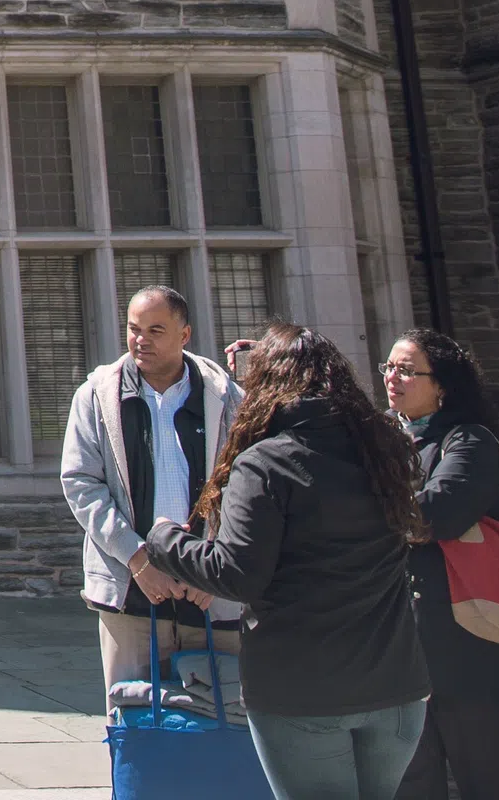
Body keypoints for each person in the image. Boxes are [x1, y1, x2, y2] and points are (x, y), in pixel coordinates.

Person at [141, 324, 431, 800]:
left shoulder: (265, 463)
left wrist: (163, 539)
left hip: (304, 690)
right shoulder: (384, 450)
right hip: (395, 687)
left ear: (264, 387)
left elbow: (236, 573)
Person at [60, 284, 246, 696]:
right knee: (134, 721)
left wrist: (212, 567)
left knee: (224, 721)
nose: (140, 340)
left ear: (185, 335)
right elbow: (81, 483)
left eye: (156, 330)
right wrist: (138, 560)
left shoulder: (228, 398)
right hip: (130, 593)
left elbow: (244, 488)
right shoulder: (96, 396)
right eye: (134, 329)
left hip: (212, 592)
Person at [385, 329, 499, 800]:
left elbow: (436, 514)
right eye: (389, 367)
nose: (393, 378)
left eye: (407, 370)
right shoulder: (381, 440)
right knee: (411, 786)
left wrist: (365, 509)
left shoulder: (469, 441)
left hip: (469, 650)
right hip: (400, 652)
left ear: (443, 385)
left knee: (484, 783)